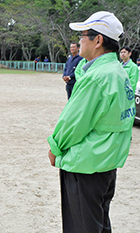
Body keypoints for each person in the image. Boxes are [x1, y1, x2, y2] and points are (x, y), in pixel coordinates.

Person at [47, 11, 135, 233]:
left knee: (81, 226)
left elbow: (74, 122)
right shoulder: (118, 71)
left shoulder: (98, 76)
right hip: (106, 160)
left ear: (98, 40)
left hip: (86, 163)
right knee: (99, 222)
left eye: (83, 35)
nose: (78, 41)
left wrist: (55, 147)